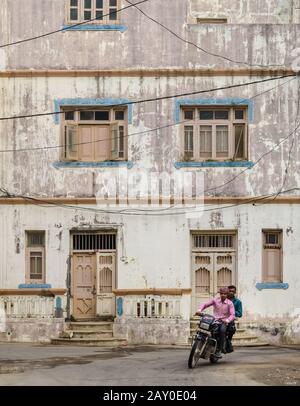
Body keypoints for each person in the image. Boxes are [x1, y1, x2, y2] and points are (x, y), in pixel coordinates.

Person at [196, 287, 235, 358]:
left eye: (225, 294)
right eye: (222, 293)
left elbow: (232, 315)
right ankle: (200, 342)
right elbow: (205, 304)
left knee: (222, 331)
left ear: (227, 294)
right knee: (204, 327)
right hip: (214, 320)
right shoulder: (215, 300)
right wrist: (199, 310)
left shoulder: (230, 303)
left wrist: (227, 320)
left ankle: (219, 350)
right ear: (219, 294)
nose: (223, 295)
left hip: (223, 322)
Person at [226, 285, 243, 353]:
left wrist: (232, 311)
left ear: (235, 292)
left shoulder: (238, 302)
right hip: (221, 319)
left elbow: (240, 313)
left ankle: (228, 343)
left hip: (230, 320)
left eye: (233, 291)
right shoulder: (223, 299)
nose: (231, 293)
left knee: (231, 330)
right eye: (229, 291)